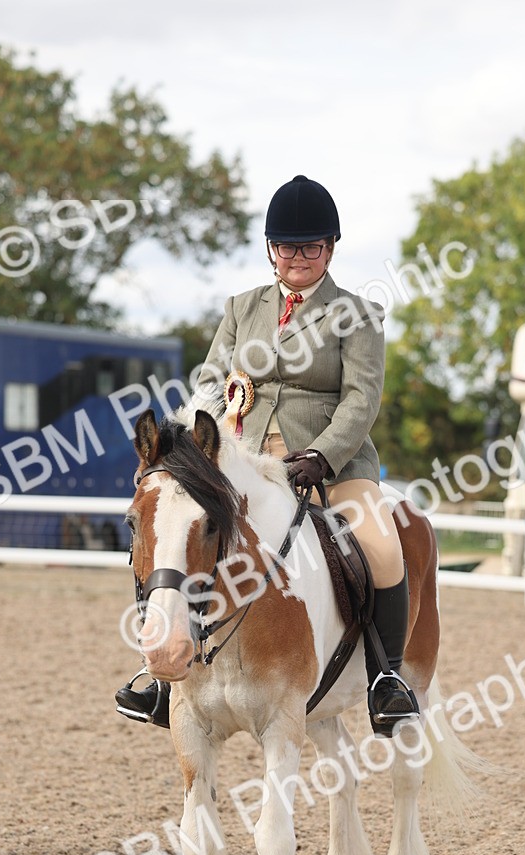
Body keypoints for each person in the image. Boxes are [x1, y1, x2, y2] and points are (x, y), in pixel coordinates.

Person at [116, 174, 417, 735]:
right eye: (286, 247)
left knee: (381, 546)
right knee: (177, 530)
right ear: (271, 249)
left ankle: (385, 680)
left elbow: (360, 401)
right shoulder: (240, 308)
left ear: (329, 249)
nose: (296, 257)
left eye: (309, 247)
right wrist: (185, 446)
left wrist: (323, 457)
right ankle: (159, 673)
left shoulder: (358, 315)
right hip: (243, 460)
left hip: (329, 467)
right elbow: (210, 382)